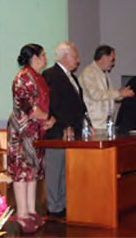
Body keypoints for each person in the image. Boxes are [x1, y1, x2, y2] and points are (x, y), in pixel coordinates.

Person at [7, 44, 56, 233]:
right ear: (34, 58)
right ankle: (22, 214)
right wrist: (48, 118)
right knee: (22, 171)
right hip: (22, 132)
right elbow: (29, 108)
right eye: (43, 55)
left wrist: (48, 121)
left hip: (36, 130)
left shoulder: (38, 77)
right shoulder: (23, 78)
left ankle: (31, 210)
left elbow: (42, 105)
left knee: (33, 171)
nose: (46, 58)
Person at [42, 42, 91, 219]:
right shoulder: (51, 75)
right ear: (65, 56)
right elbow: (53, 105)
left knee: (66, 170)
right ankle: (54, 208)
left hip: (73, 131)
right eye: (75, 56)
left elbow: (80, 105)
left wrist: (87, 124)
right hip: (58, 132)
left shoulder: (73, 78)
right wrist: (64, 126)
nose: (78, 60)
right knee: (55, 170)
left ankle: (63, 204)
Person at [79, 45, 134, 132]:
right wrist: (119, 93)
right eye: (112, 60)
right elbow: (96, 94)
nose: (113, 63)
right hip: (95, 124)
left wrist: (123, 94)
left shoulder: (105, 74)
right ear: (104, 58)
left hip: (106, 123)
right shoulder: (89, 72)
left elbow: (108, 94)